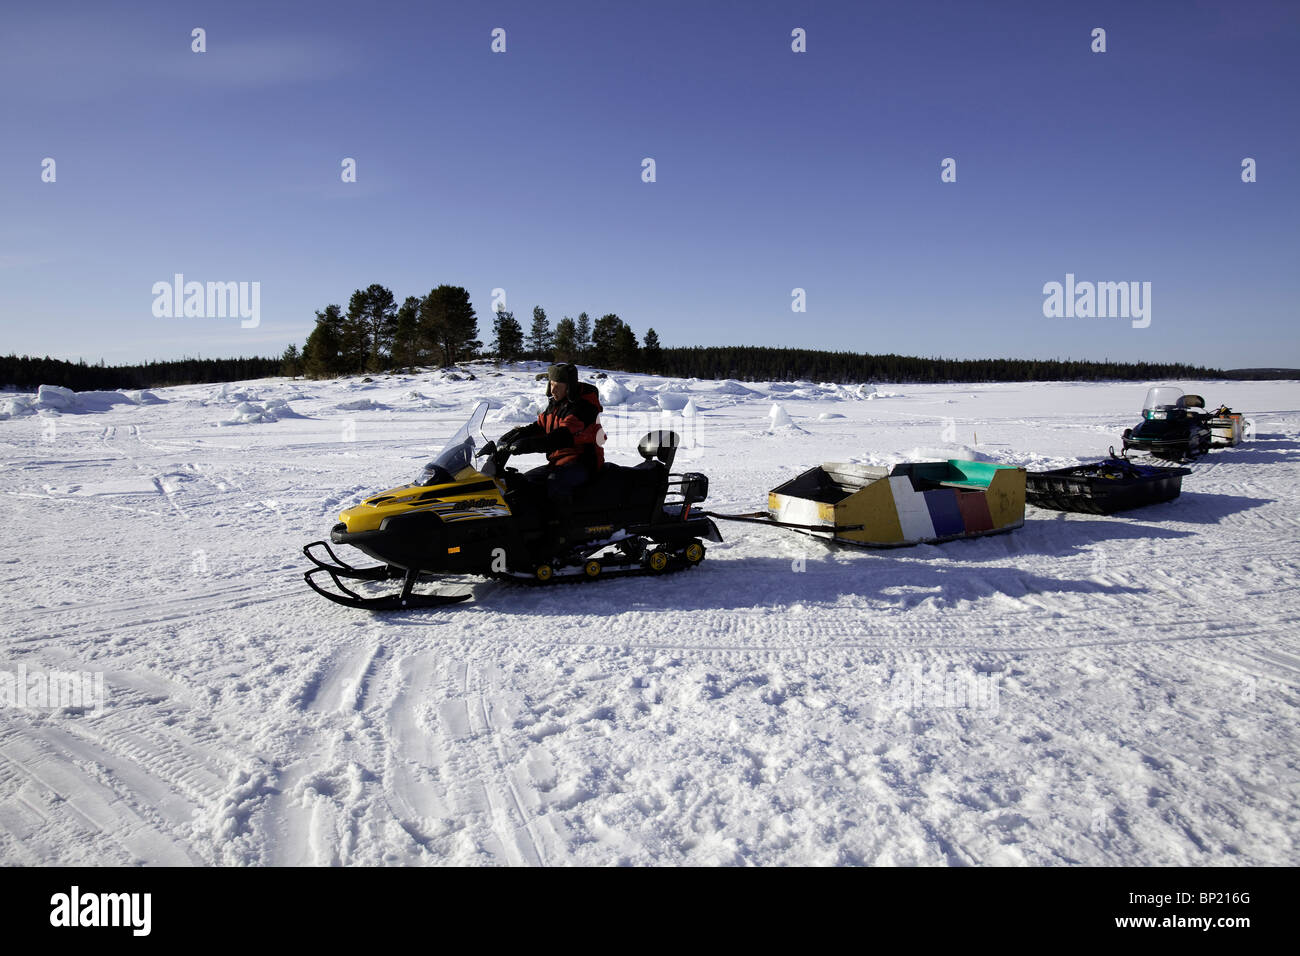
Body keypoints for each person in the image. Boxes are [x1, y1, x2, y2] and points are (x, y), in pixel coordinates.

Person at [498, 364, 604, 549]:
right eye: (551, 384)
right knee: (524, 482)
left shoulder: (583, 407)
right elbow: (541, 425)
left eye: (559, 385)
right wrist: (518, 434)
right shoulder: (556, 403)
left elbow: (562, 435)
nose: (553, 389)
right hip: (559, 462)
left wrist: (528, 445)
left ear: (569, 386)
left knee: (556, 483)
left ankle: (562, 537)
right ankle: (530, 530)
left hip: (583, 462)